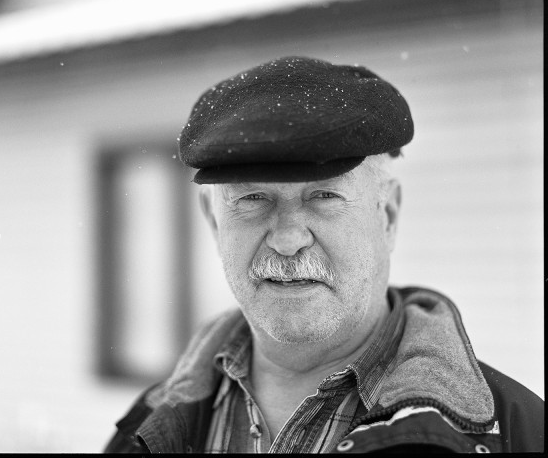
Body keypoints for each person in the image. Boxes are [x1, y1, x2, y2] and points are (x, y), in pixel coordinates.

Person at [104, 56, 543, 453]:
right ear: (214, 221)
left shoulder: (521, 433)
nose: (288, 239)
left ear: (387, 214)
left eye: (324, 196)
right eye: (253, 198)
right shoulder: (149, 427)